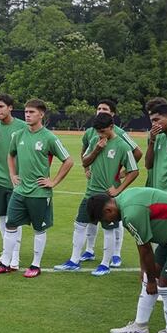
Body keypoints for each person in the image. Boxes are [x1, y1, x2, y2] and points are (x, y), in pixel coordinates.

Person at [93, 187, 167, 333]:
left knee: (166, 284)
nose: (109, 222)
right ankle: (140, 326)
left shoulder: (130, 214)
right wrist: (146, 271)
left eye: (105, 219)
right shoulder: (124, 199)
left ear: (108, 209)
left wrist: (152, 279)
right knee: (149, 276)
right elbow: (142, 245)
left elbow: (145, 248)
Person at [0, 99, 74, 278]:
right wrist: (12, 175)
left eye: (32, 112)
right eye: (26, 112)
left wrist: (53, 182)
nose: (27, 115)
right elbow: (10, 155)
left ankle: (35, 265)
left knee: (38, 229)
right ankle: (5, 263)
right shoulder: (18, 135)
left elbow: (68, 160)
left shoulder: (49, 137)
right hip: (19, 191)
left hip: (39, 193)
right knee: (10, 225)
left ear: (41, 114)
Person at [54, 112, 139, 276]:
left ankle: (105, 264)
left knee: (108, 229)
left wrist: (118, 190)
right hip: (90, 193)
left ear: (112, 127)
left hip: (109, 197)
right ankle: (74, 260)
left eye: (103, 131)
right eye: (98, 131)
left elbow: (134, 171)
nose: (100, 134)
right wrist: (96, 150)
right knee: (79, 224)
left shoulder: (122, 146)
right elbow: (85, 162)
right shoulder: (95, 140)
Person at [76, 99, 143, 268]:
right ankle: (89, 251)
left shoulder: (120, 138)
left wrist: (120, 173)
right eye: (98, 108)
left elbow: (136, 156)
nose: (100, 111)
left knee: (112, 223)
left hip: (109, 190)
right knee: (88, 220)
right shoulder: (93, 134)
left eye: (104, 109)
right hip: (92, 188)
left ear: (113, 115)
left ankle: (115, 254)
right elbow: (84, 155)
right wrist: (88, 166)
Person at [0, 94, 28, 269]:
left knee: (14, 218)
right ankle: (6, 251)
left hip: (17, 182)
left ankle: (15, 256)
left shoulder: (23, 127)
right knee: (2, 217)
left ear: (10, 108)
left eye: (1, 107)